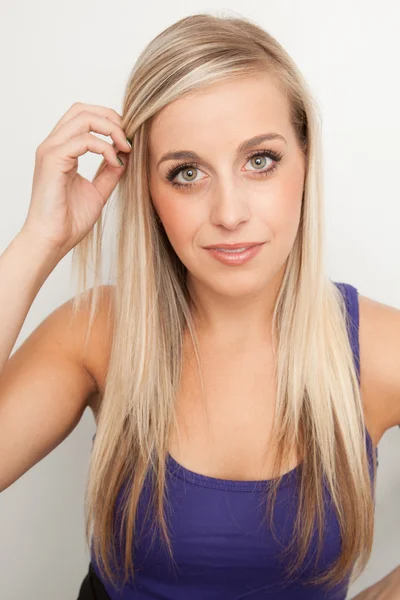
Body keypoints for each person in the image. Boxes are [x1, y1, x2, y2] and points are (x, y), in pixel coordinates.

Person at [0, 12, 399, 600]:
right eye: (186, 173)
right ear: (147, 191)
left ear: (305, 162)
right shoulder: (98, 334)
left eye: (260, 160)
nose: (229, 212)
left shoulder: (379, 350)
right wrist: (40, 238)